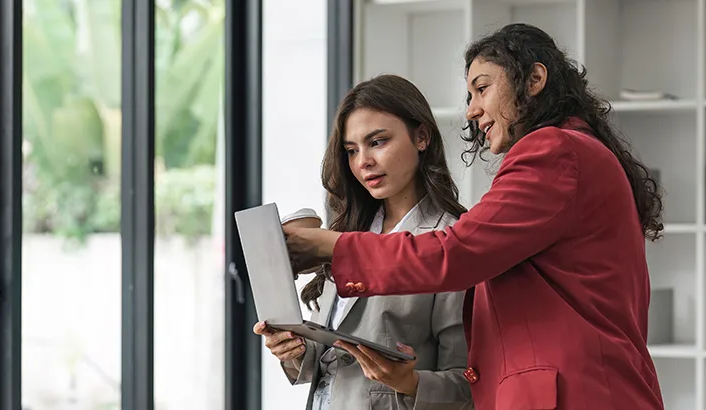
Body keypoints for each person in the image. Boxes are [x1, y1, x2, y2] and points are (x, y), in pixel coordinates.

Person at [282, 23, 667, 409]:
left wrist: (327, 245)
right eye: (470, 94)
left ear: (534, 79)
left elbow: (455, 252)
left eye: (482, 88)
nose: (471, 109)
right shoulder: (577, 151)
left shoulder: (555, 151)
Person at [253, 74, 475, 410]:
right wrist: (295, 351)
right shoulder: (346, 233)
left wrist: (409, 383)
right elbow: (332, 360)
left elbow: (470, 383)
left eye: (378, 142)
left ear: (422, 137)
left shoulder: (451, 242)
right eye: (351, 150)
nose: (363, 162)